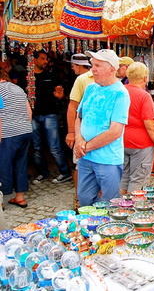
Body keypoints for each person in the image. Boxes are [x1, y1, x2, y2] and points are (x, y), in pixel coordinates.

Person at [74, 49, 130, 206]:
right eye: (93, 65)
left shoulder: (120, 93)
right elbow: (79, 116)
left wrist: (85, 147)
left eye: (98, 65)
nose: (93, 69)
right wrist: (79, 139)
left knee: (110, 202)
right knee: (84, 198)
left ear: (112, 69)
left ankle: (106, 228)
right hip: (86, 157)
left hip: (107, 159)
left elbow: (115, 132)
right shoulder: (91, 88)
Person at [120, 62, 154, 195]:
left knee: (123, 178)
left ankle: (119, 208)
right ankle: (133, 210)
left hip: (122, 139)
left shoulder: (120, 91)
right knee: (138, 180)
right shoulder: (144, 96)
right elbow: (150, 125)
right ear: (145, 78)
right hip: (141, 143)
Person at [31, 50, 72, 184]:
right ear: (34, 60)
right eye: (42, 58)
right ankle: (42, 173)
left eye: (46, 59)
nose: (45, 62)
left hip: (50, 114)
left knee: (54, 146)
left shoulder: (51, 75)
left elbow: (61, 94)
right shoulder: (27, 77)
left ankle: (65, 172)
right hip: (33, 115)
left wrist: (60, 96)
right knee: (37, 147)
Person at [0, 69, 33, 208]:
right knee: (20, 164)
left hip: (8, 133)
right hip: (25, 131)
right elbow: (29, 111)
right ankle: (20, 198)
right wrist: (25, 127)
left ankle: (1, 201)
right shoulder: (17, 88)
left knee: (3, 166)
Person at [65, 53, 94, 207]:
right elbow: (73, 107)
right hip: (83, 128)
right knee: (80, 163)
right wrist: (72, 132)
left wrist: (72, 132)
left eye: (73, 65)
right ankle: (79, 198)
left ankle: (82, 198)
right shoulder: (83, 79)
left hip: (89, 130)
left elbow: (72, 107)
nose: (71, 68)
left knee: (85, 163)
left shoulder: (82, 79)